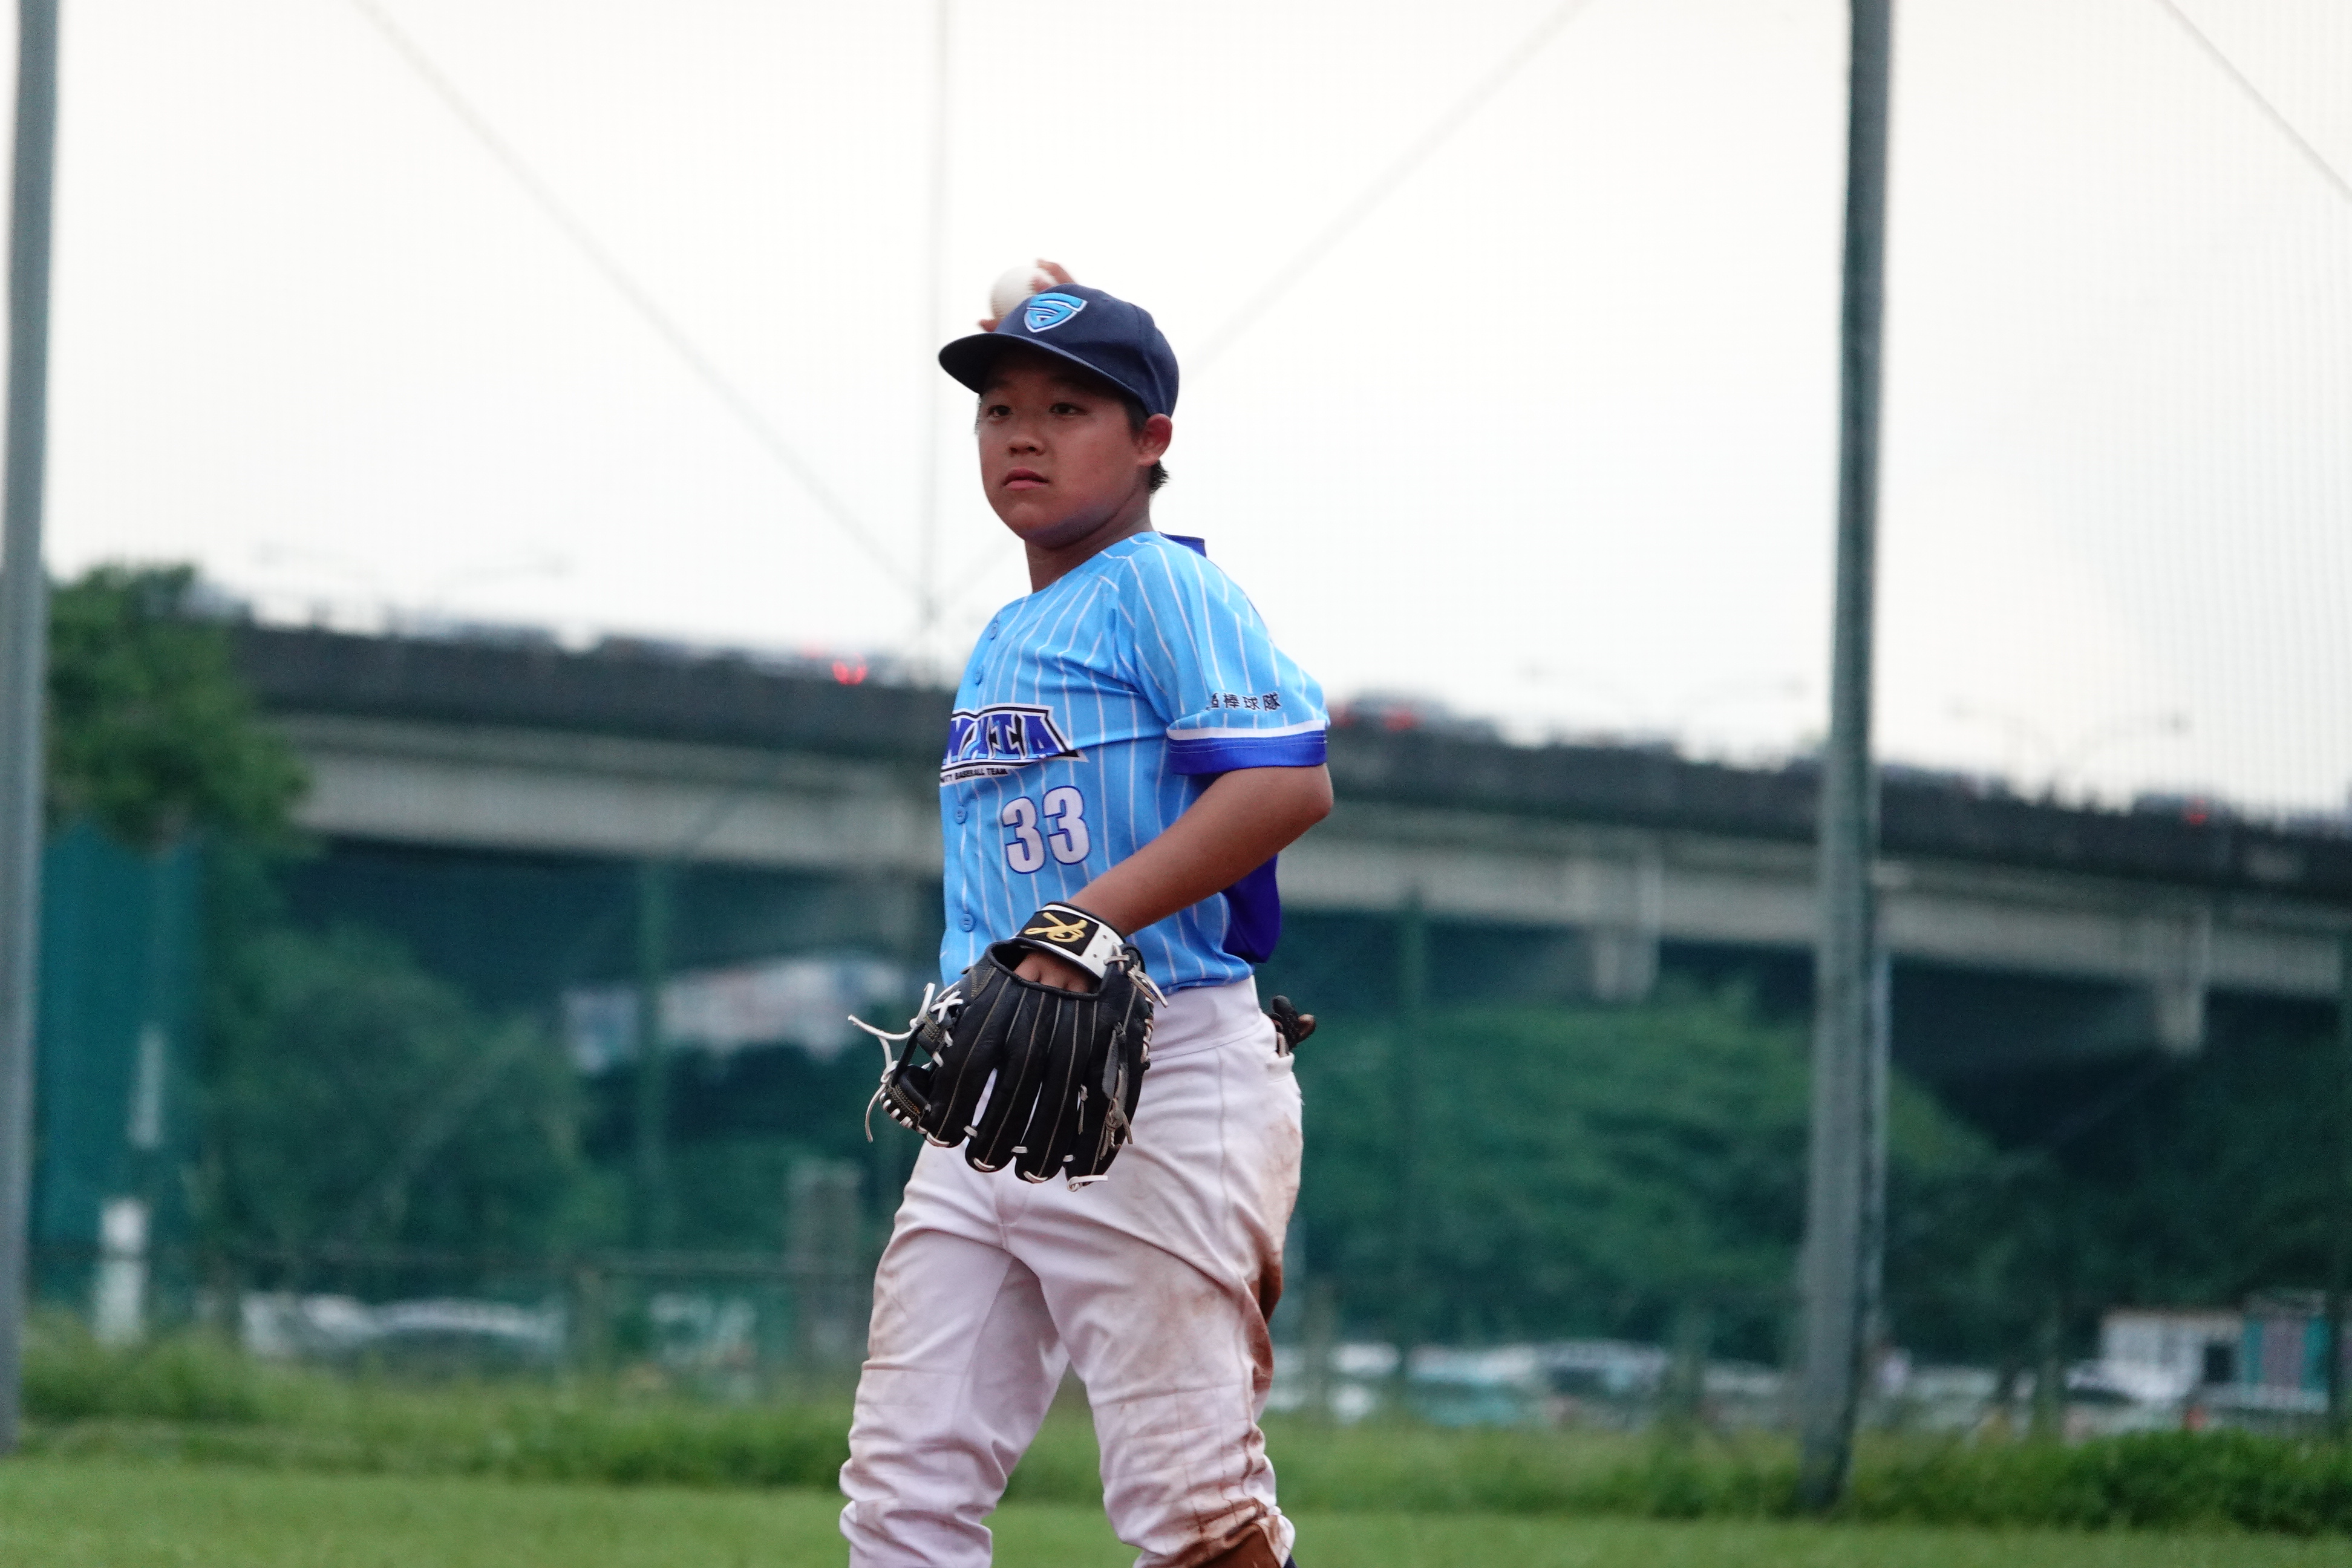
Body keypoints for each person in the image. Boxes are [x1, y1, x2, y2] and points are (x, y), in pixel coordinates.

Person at [838, 272, 1331, 1568]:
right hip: (992, 1083)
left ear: (1151, 439)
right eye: (1000, 409)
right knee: (902, 1491)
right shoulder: (1011, 629)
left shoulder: (1162, 586)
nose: (1024, 436)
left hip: (1160, 1074)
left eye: (1069, 409)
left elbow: (1287, 784)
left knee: (1191, 1510)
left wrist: (1078, 927)